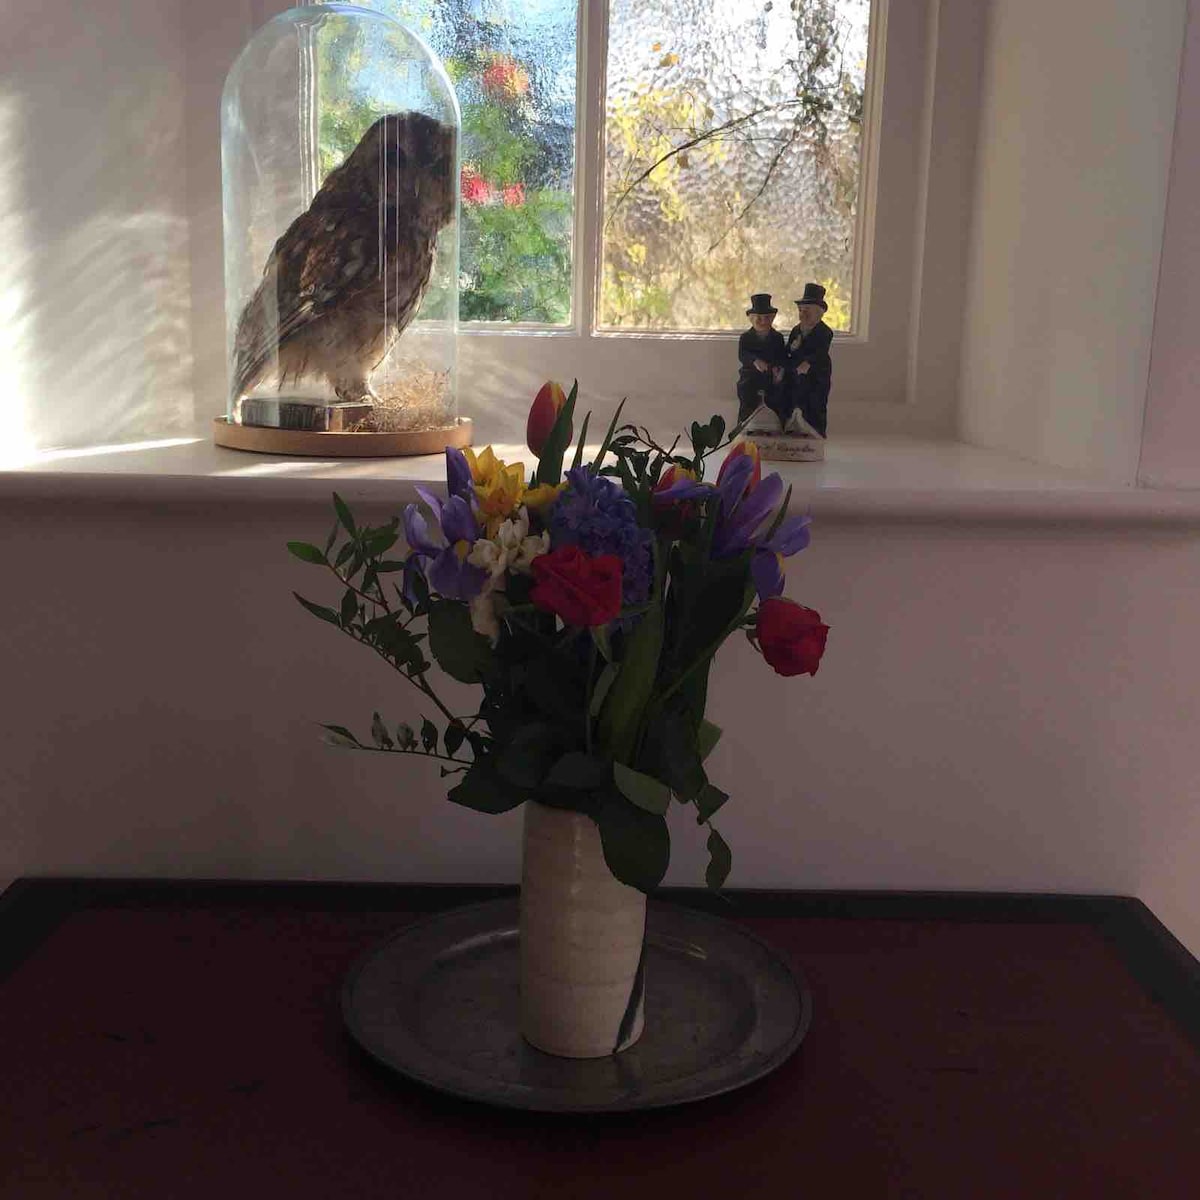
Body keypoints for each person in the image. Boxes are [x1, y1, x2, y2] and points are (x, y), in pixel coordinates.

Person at [781, 283, 834, 437]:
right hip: (795, 372)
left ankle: (814, 430)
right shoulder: (796, 330)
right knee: (793, 398)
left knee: (814, 401)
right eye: (801, 310)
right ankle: (793, 426)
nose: (803, 314)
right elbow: (787, 351)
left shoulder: (825, 332)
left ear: (819, 313)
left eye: (807, 311)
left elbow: (820, 352)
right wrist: (784, 364)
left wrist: (808, 362)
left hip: (816, 374)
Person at [736, 294, 786, 424]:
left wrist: (778, 370)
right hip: (751, 375)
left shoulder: (777, 337)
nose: (763, 322)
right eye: (759, 318)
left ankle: (776, 425)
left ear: (772, 318)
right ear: (751, 319)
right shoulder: (746, 338)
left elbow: (782, 356)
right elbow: (743, 355)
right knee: (747, 393)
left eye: (767, 318)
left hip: (771, 375)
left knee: (778, 394)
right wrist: (755, 361)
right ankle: (745, 424)